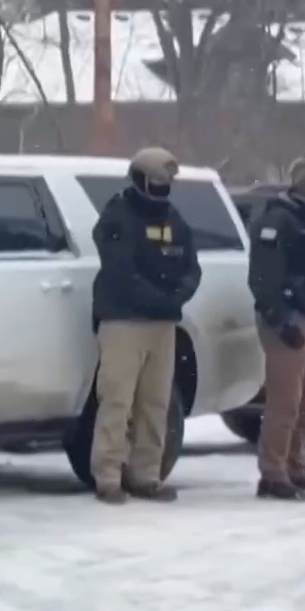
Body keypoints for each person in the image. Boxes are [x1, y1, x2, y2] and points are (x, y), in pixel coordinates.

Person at [89, 146, 201, 504]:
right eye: (156, 182)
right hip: (124, 321)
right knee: (117, 401)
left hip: (163, 325)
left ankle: (146, 475)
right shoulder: (117, 216)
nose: (162, 189)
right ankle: (108, 477)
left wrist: (178, 295)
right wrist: (161, 299)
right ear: (139, 179)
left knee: (155, 402)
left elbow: (192, 267)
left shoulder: (174, 218)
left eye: (167, 183)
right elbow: (121, 272)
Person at [245, 157, 305, 499]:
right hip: (285, 319)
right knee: (285, 400)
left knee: (303, 402)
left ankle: (295, 466)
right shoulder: (278, 219)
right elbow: (263, 280)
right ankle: (272, 472)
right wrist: (282, 321)